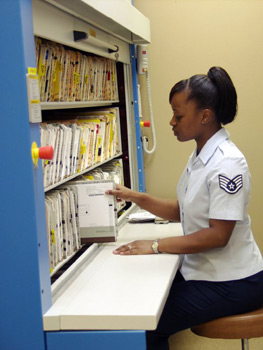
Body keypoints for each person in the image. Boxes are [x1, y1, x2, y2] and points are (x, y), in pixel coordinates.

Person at [106, 67, 263, 350]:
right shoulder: (201, 154)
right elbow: (184, 210)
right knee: (142, 301)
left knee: (147, 327)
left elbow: (218, 235)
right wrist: (135, 197)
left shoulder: (228, 163)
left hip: (234, 282)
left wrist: (156, 245)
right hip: (208, 274)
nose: (172, 122)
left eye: (178, 116)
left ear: (205, 116)